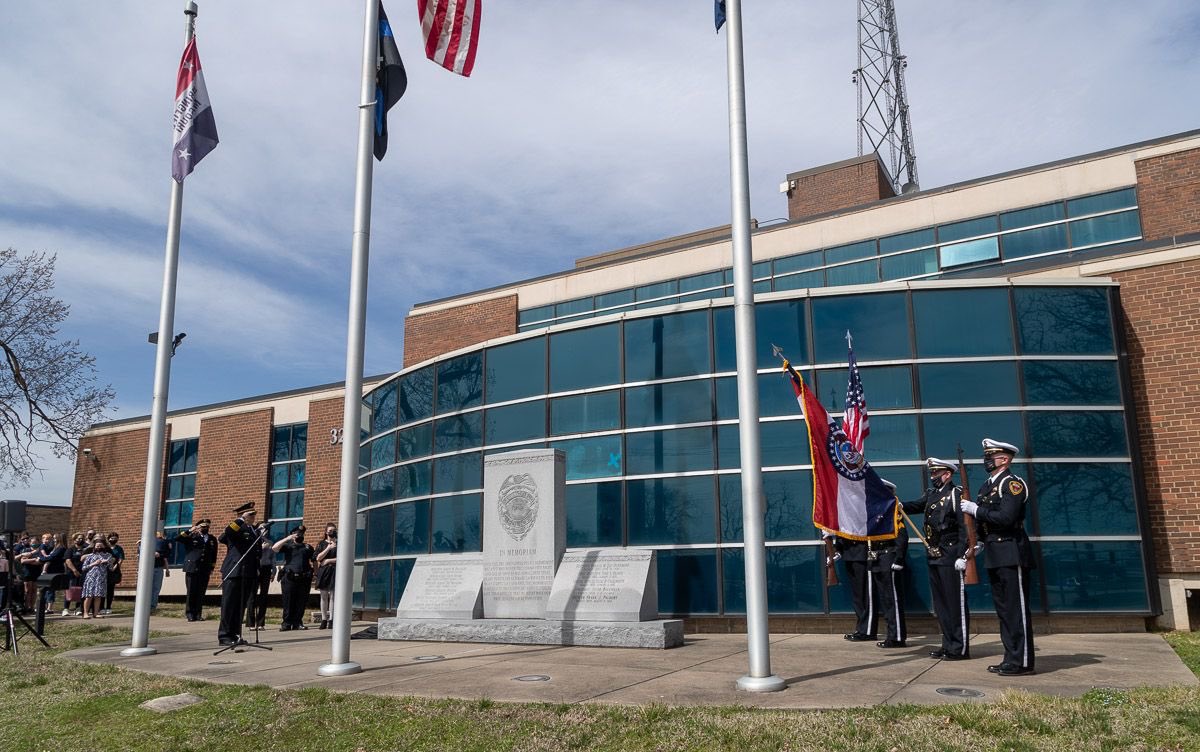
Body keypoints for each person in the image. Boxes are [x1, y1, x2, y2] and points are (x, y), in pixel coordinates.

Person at [961, 438, 1036, 677]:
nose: (986, 461)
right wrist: (978, 542)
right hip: (994, 553)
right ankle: (1011, 658)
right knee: (1004, 611)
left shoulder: (1012, 484)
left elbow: (1006, 517)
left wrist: (976, 510)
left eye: (990, 457)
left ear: (1004, 459)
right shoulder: (986, 487)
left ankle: (1023, 662)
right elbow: (984, 523)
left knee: (1017, 610)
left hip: (1012, 552)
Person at [903, 458, 972, 660]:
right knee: (941, 605)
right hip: (934, 554)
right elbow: (915, 506)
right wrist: (896, 503)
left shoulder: (956, 494)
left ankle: (959, 648)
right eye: (932, 473)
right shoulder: (932, 495)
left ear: (947, 474)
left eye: (936, 473)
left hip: (951, 555)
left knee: (954, 603)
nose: (933, 476)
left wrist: (963, 554)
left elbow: (965, 527)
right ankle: (948, 644)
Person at [217, 502, 262, 646]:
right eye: (250, 514)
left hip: (248, 572)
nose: (253, 517)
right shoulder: (237, 527)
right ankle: (224, 635)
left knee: (240, 606)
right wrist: (240, 519)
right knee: (229, 605)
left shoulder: (254, 530)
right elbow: (227, 533)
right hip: (234, 570)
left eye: (254, 514)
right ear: (243, 515)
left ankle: (235, 634)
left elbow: (256, 551)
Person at [868, 507, 909, 649]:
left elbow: (902, 535)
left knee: (893, 600)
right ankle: (892, 635)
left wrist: (899, 558)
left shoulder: (892, 511)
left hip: (888, 557)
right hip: (877, 559)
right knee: (886, 601)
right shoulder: (872, 513)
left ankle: (897, 637)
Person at [832, 535, 876, 642]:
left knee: (865, 595)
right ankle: (861, 628)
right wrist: (838, 548)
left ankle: (867, 631)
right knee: (857, 596)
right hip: (849, 553)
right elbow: (844, 530)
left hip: (862, 554)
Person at [272, 525, 315, 631]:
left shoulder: (308, 547)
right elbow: (274, 548)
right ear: (293, 534)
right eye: (298, 533)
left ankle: (298, 622)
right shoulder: (288, 546)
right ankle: (286, 623)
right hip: (289, 577)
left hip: (304, 578)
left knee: (301, 601)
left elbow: (314, 561)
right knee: (288, 601)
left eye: (302, 533)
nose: (300, 535)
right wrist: (287, 538)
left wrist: (316, 574)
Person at [175, 518, 218, 622]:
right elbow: (178, 538)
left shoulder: (212, 539)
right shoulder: (192, 536)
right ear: (198, 527)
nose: (205, 528)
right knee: (191, 591)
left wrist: (212, 567)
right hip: (192, 567)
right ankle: (190, 613)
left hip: (205, 568)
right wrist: (190, 530)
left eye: (207, 526)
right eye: (203, 526)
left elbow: (214, 555)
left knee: (201, 592)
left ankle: (198, 614)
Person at [244, 523, 275, 631]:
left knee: (263, 595)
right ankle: (251, 622)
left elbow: (272, 557)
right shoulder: (253, 541)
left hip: (266, 568)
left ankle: (261, 623)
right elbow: (250, 554)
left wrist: (274, 570)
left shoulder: (269, 542)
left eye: (266, 529)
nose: (264, 530)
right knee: (252, 596)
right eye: (262, 528)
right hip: (255, 568)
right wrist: (261, 547)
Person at [139, 531, 173, 611]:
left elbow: (166, 556)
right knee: (148, 587)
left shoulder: (164, 543)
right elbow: (140, 555)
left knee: (156, 588)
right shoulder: (145, 542)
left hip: (158, 567)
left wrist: (167, 569)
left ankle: (152, 606)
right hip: (148, 568)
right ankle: (145, 605)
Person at [80, 538, 113, 619]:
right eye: (97, 546)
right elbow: (83, 568)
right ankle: (85, 613)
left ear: (104, 547)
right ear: (94, 547)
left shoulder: (108, 556)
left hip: (101, 579)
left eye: (101, 546)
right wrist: (94, 563)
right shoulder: (90, 556)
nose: (99, 547)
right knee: (89, 596)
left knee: (98, 596)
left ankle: (96, 613)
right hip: (91, 578)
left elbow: (111, 568)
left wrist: (107, 562)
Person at [314, 523, 337, 630]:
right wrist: (328, 548)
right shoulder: (322, 544)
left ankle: (331, 619)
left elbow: (343, 557)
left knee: (333, 595)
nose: (332, 532)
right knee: (323, 595)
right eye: (330, 530)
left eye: (334, 530)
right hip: (324, 571)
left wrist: (328, 560)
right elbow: (318, 558)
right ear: (326, 532)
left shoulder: (339, 543)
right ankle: (324, 619)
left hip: (334, 570)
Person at [64, 532, 87, 616]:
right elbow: (68, 560)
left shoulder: (85, 549)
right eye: (79, 538)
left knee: (80, 591)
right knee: (70, 590)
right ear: (74, 540)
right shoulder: (70, 549)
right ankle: (66, 609)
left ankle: (78, 608)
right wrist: (74, 570)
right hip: (71, 574)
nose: (81, 540)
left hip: (82, 573)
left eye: (82, 538)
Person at [102, 532, 124, 614]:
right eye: (112, 538)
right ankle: (101, 607)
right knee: (102, 589)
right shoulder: (105, 547)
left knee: (110, 590)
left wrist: (116, 566)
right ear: (108, 539)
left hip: (113, 570)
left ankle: (108, 607)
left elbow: (121, 559)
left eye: (115, 538)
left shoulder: (119, 548)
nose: (113, 540)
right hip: (104, 570)